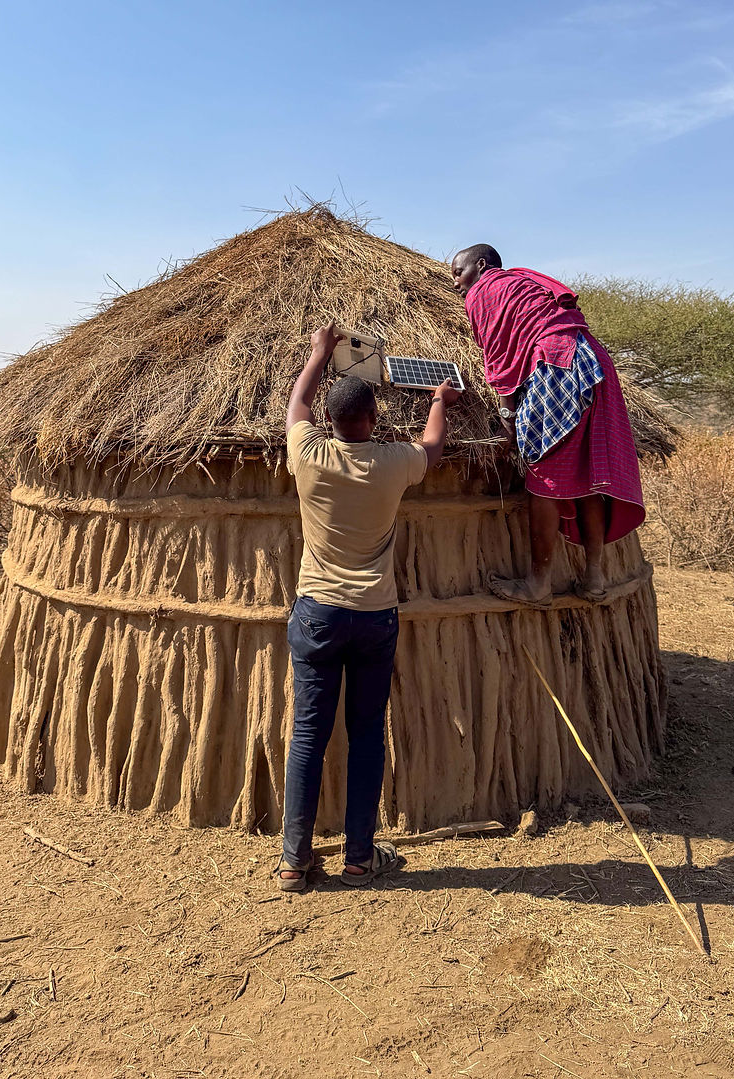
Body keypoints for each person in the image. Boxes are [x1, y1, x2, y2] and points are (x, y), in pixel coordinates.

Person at [276, 323, 461, 891]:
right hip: (374, 615)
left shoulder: (309, 456)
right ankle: (359, 859)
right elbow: (432, 447)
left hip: (317, 614)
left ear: (329, 424)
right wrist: (439, 402)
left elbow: (298, 402)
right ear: (374, 422)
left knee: (308, 734)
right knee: (365, 735)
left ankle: (293, 862)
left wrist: (318, 353)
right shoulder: (391, 464)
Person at [451, 244, 645, 606]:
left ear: (480, 265)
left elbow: (498, 356)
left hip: (560, 365)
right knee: (586, 476)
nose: (457, 285)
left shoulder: (485, 289)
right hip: (595, 361)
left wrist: (508, 419)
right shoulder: (525, 283)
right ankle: (594, 579)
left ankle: (537, 585)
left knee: (544, 474)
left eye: (458, 273)